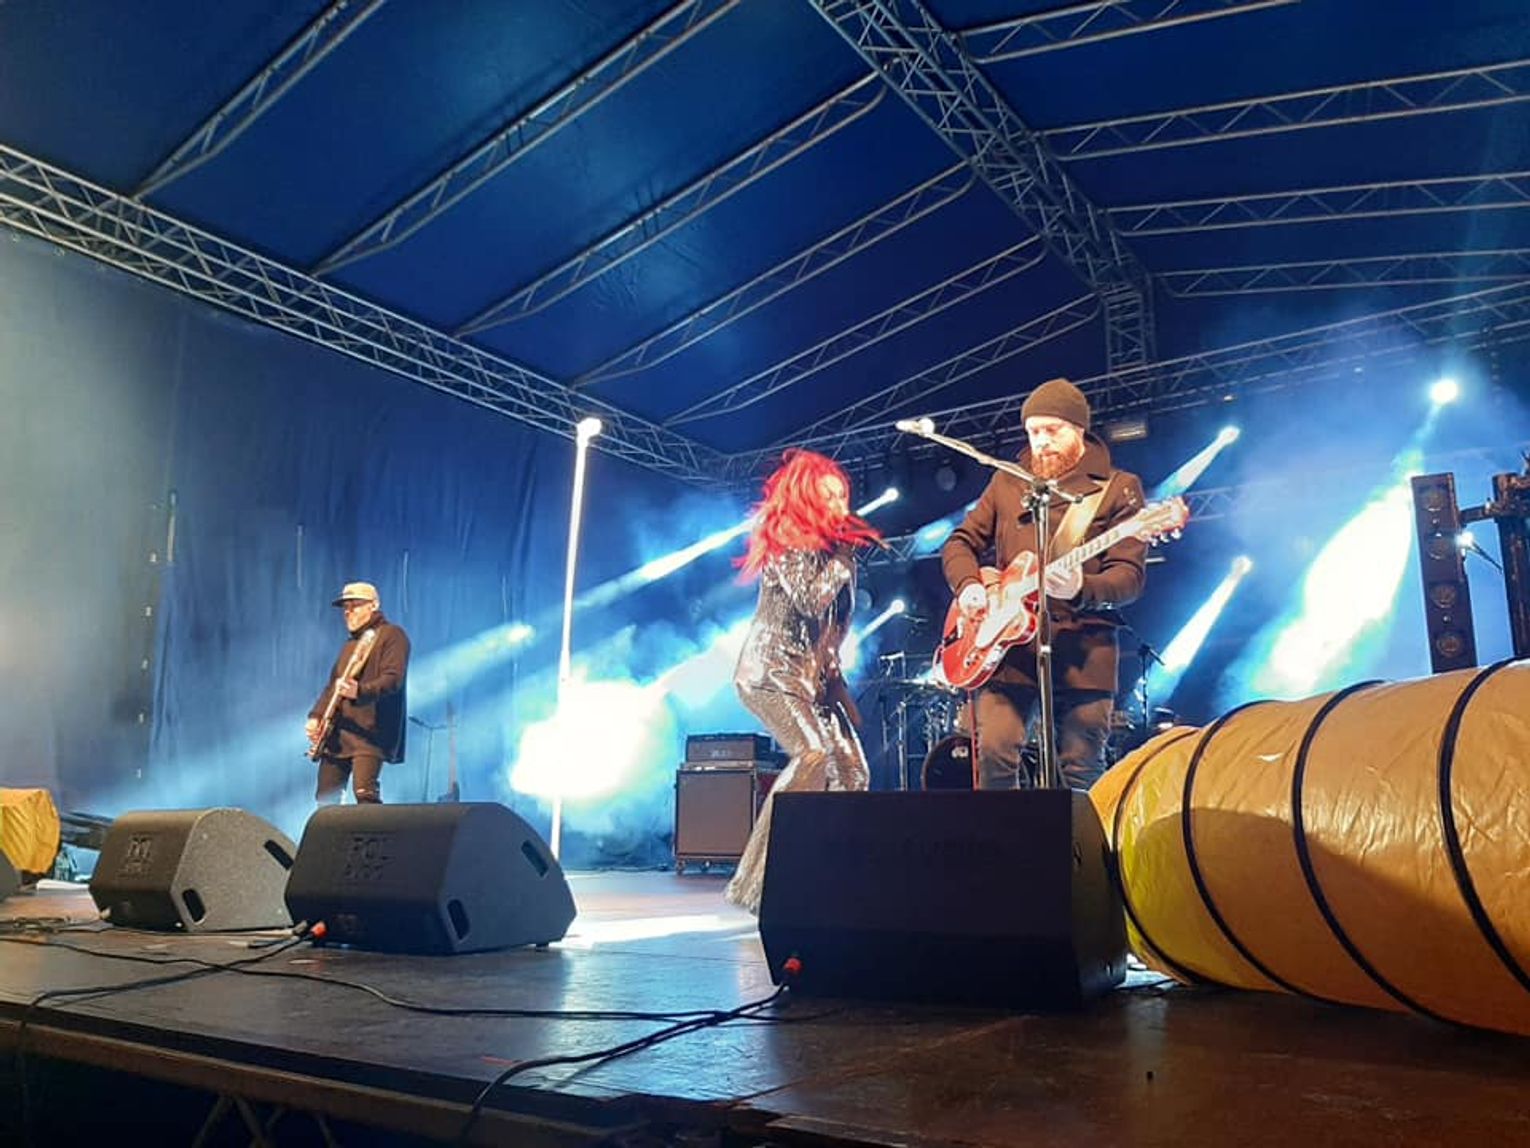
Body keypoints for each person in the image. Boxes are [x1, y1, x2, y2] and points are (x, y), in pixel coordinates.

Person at [940, 378, 1146, 791]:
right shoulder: (1008, 482)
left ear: (1079, 429)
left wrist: (1081, 587)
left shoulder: (1118, 488)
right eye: (1034, 432)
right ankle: (1006, 836)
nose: (1041, 442)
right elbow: (960, 542)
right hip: (1009, 649)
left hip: (1084, 651)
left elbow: (1129, 578)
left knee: (1081, 770)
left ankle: (1081, 837)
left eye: (1053, 430)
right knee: (995, 755)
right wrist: (969, 586)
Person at [724, 450, 882, 914]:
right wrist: (844, 560)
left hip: (810, 680)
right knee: (811, 754)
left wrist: (835, 683)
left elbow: (830, 630)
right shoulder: (786, 538)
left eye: (843, 495)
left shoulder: (833, 554)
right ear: (806, 496)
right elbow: (811, 600)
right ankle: (753, 883)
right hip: (769, 670)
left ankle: (828, 877)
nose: (839, 504)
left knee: (852, 773)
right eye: (828, 495)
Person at [306, 581, 410, 804]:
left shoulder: (392, 635)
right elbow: (333, 686)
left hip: (370, 731)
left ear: (374, 605)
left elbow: (393, 679)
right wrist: (316, 716)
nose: (348, 611)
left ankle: (374, 828)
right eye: (346, 607)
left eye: (355, 605)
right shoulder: (350, 645)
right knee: (326, 798)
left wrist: (360, 691)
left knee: (365, 793)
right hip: (338, 732)